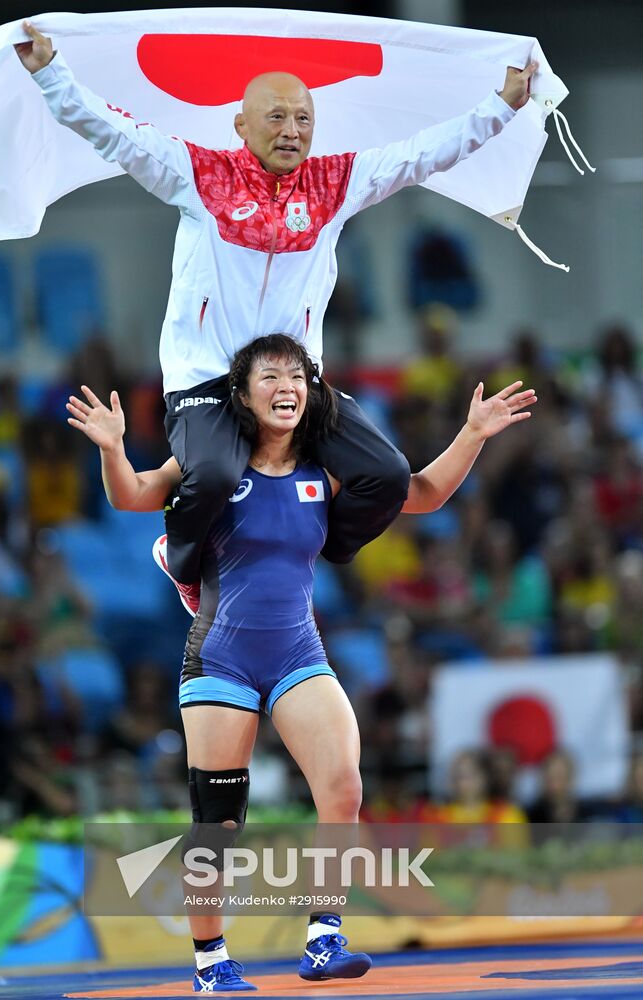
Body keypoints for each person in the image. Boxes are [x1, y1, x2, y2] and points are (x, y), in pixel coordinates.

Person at [17, 22, 537, 615]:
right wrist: (50, 74)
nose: (292, 130)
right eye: (277, 117)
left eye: (304, 119)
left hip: (294, 385)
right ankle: (181, 562)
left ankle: (317, 542)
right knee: (213, 476)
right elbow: (115, 134)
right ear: (241, 124)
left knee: (387, 475)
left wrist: (503, 106)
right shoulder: (199, 175)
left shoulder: (337, 184)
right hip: (208, 381)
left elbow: (424, 154)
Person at [67, 333, 535, 992]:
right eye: (269, 376)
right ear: (241, 395)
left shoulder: (325, 468)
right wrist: (112, 448)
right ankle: (210, 963)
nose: (285, 386)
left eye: (295, 375)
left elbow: (423, 492)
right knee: (218, 822)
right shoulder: (211, 463)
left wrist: (473, 433)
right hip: (221, 657)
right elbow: (131, 495)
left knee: (342, 787)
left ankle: (323, 936)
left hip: (296, 652)